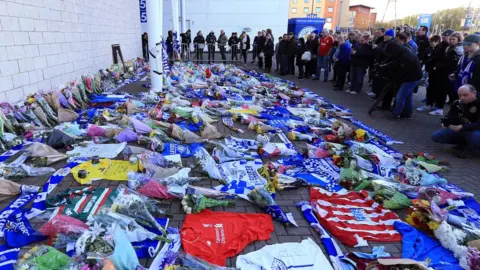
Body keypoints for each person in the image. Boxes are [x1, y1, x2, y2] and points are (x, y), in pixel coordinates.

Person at [431, 84, 480, 158]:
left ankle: (472, 149)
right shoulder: (457, 103)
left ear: (474, 93)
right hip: (460, 129)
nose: (462, 98)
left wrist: (462, 127)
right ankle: (464, 144)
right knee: (436, 137)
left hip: (474, 130)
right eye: (460, 95)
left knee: (475, 137)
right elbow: (449, 116)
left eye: (465, 95)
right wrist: (445, 124)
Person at [384, 42, 422, 120]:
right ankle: (407, 113)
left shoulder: (405, 56)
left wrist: (395, 76)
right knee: (408, 96)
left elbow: (402, 70)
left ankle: (396, 113)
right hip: (414, 77)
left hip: (411, 78)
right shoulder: (404, 51)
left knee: (400, 96)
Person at [444, 32, 464, 104]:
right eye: (451, 39)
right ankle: (451, 101)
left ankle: (455, 102)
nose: (452, 41)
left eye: (454, 39)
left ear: (458, 40)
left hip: (454, 70)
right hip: (448, 69)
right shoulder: (450, 47)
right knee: (449, 88)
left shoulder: (460, 49)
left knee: (454, 88)